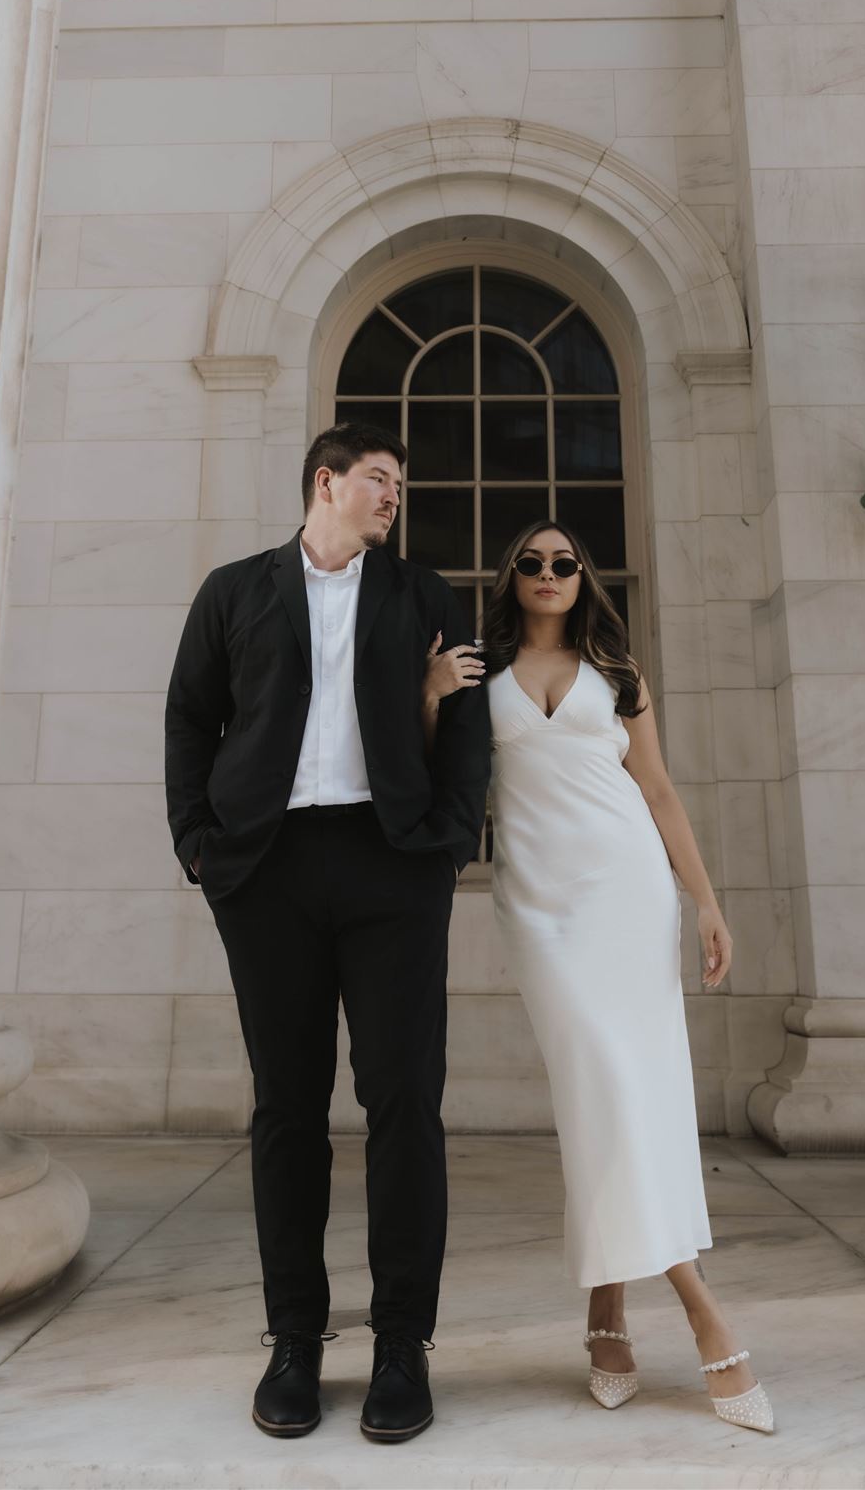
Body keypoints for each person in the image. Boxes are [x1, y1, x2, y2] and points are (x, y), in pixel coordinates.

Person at [164, 424, 488, 1445]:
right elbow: (189, 718)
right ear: (327, 482)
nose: (394, 495)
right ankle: (295, 1337)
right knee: (287, 1108)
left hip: (392, 863)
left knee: (402, 1099)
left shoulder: (420, 594)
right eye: (380, 479)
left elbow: (467, 714)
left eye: (399, 481)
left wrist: (447, 841)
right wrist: (199, 847)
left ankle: (402, 1342)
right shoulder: (235, 590)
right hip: (267, 869)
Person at [423, 520, 775, 1434]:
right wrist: (429, 697)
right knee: (601, 1089)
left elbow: (657, 791)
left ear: (584, 579)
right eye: (531, 562)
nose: (548, 573)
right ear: (512, 578)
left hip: (628, 894)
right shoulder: (475, 673)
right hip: (540, 909)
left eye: (564, 563)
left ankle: (608, 1314)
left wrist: (704, 901)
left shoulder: (619, 675)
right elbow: (439, 771)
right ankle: (705, 1316)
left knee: (620, 1100)